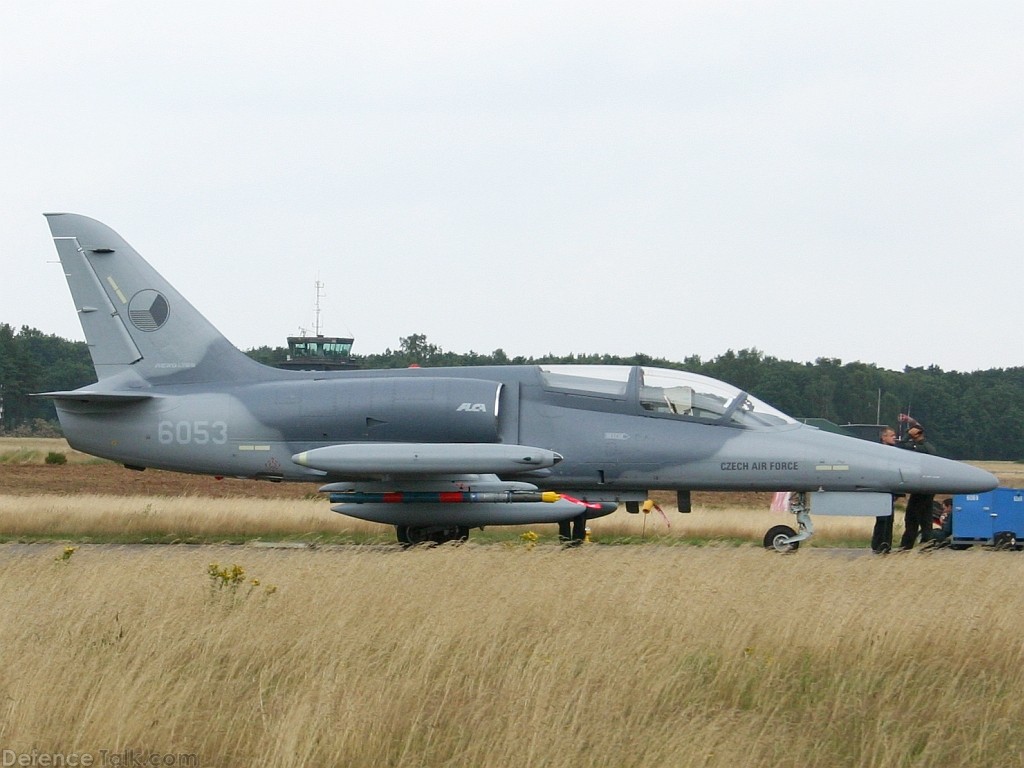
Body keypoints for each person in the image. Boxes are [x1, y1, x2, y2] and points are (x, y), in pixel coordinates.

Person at [897, 415, 938, 550]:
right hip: (929, 488)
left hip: (921, 488)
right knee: (926, 519)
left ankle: (906, 546)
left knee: (912, 518)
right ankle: (927, 545)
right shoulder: (928, 446)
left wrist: (907, 435)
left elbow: (900, 445)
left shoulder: (921, 447)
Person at [871, 426, 899, 553]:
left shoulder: (896, 452)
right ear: (883, 437)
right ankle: (878, 545)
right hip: (881, 490)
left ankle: (886, 544)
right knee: (882, 519)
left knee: (890, 519)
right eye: (891, 435)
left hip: (891, 490)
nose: (894, 437)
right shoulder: (877, 452)